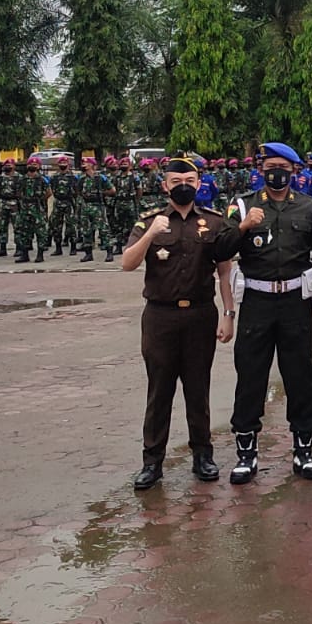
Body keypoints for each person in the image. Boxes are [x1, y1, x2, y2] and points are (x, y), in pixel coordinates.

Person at [121, 155, 242, 489]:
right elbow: (127, 263)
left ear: (199, 184)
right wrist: (150, 234)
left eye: (190, 181)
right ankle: (152, 462)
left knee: (197, 388)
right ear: (165, 185)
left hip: (200, 315)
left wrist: (229, 315)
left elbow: (225, 273)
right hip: (160, 317)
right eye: (176, 182)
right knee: (159, 391)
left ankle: (203, 455)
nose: (184, 187)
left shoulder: (214, 222)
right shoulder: (149, 221)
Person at [223, 142, 312, 484]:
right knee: (250, 377)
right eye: (270, 166)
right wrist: (243, 227)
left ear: (294, 171)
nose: (276, 173)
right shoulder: (242, 205)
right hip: (256, 302)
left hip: (295, 303)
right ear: (260, 169)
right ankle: (246, 454)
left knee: (300, 376)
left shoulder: (309, 206)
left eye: (283, 168)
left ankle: (304, 450)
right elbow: (221, 249)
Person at [76, 157, 115, 263]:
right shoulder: (81, 179)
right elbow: (78, 192)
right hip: (85, 206)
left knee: (103, 230)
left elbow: (112, 190)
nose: (84, 164)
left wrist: (101, 193)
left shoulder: (100, 178)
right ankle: (88, 254)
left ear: (92, 165)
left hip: (98, 206)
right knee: (86, 230)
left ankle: (109, 253)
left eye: (86, 163)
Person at [16, 157, 50, 263]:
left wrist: (40, 199)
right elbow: (18, 192)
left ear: (39, 166)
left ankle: (40, 254)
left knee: (40, 232)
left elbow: (48, 192)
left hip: (38, 209)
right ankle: (25, 254)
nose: (32, 166)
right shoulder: (22, 179)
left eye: (35, 164)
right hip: (25, 208)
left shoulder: (42, 179)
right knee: (24, 231)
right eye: (30, 164)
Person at [49, 156, 78, 255]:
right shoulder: (54, 177)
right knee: (56, 226)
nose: (63, 164)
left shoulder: (73, 177)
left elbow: (77, 190)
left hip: (69, 202)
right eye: (61, 163)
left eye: (64, 163)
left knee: (71, 225)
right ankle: (58, 248)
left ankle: (73, 247)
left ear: (68, 164)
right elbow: (51, 189)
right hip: (58, 202)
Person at [0, 159, 20, 257]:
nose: (8, 166)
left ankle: (19, 248)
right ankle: (2, 248)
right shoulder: (0, 178)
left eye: (10, 164)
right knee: (2, 227)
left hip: (15, 204)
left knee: (17, 227)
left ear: (14, 166)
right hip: (3, 203)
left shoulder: (19, 177)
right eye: (6, 165)